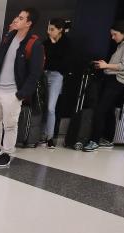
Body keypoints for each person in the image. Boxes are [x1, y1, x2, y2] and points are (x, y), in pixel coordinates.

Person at [0, 7, 45, 168]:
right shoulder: (9, 37)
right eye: (18, 16)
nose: (16, 20)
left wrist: (22, 94)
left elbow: (35, 74)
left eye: (21, 18)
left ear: (29, 23)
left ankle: (7, 152)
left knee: (10, 124)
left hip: (13, 92)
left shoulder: (35, 44)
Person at [82, 21, 124, 152]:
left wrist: (106, 66)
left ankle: (94, 140)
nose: (113, 37)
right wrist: (105, 65)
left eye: (115, 34)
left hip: (117, 81)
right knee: (108, 110)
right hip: (112, 79)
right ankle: (107, 139)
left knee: (100, 110)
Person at [42, 18, 71, 149]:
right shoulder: (46, 43)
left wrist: (53, 46)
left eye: (52, 29)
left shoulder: (66, 43)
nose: (49, 32)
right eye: (48, 29)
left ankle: (50, 137)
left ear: (60, 29)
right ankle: (42, 134)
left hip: (56, 76)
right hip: (44, 74)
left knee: (50, 107)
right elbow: (45, 61)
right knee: (42, 105)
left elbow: (63, 64)